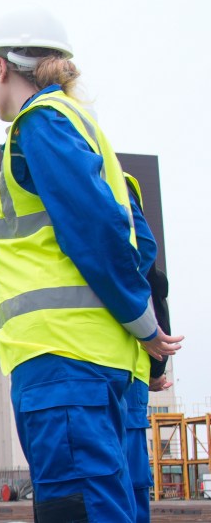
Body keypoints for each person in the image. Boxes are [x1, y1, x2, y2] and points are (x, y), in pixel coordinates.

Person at [0, 9, 183, 522]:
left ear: (1, 67)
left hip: (64, 365)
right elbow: (143, 247)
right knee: (120, 507)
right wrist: (151, 346)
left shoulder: (41, 123)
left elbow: (95, 229)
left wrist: (144, 326)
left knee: (79, 508)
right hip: (116, 368)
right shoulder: (89, 132)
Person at [124, 172, 173, 522]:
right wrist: (157, 367)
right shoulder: (122, 181)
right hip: (131, 369)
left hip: (89, 362)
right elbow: (151, 280)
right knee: (132, 482)